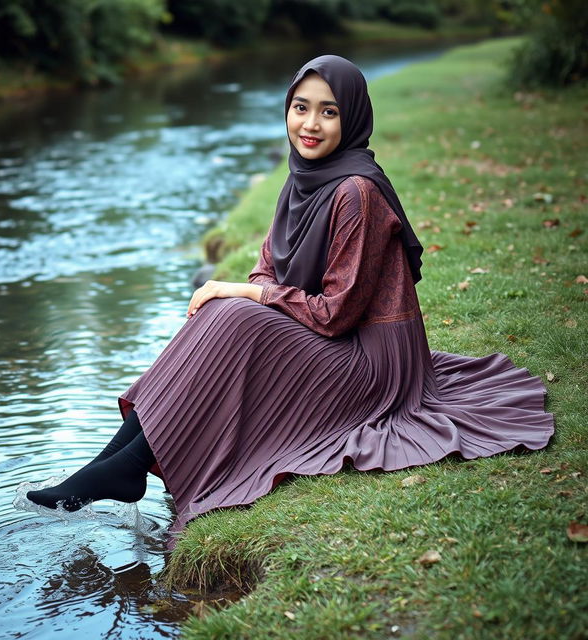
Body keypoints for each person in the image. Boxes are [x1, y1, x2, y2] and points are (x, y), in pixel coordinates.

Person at [27, 55, 554, 549]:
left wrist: (244, 294)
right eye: (301, 108)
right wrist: (245, 293)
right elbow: (267, 268)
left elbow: (336, 313)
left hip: (371, 362)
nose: (311, 124)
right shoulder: (301, 176)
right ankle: (114, 463)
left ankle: (125, 465)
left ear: (352, 119)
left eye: (329, 112)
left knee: (233, 309)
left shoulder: (357, 191)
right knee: (225, 310)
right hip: (333, 340)